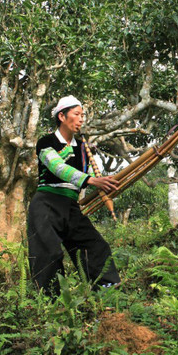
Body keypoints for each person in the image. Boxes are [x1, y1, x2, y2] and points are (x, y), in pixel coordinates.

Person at [27, 95, 121, 296]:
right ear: (62, 116)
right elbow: (58, 167)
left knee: (95, 247)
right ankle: (49, 305)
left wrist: (106, 184)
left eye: (82, 115)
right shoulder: (46, 142)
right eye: (76, 114)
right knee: (49, 254)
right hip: (46, 204)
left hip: (70, 206)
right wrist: (91, 180)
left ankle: (108, 295)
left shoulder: (83, 149)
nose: (81, 119)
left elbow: (90, 178)